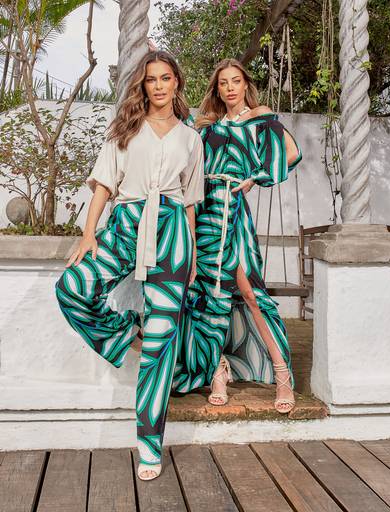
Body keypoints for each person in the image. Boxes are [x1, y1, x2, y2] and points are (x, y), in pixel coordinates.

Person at [55, 50, 204, 481]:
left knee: (161, 346)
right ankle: (126, 333)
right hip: (126, 222)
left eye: (165, 78)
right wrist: (89, 234)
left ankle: (149, 445)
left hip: (173, 232)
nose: (158, 86)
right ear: (143, 85)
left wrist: (192, 253)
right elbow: (104, 185)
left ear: (177, 83)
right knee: (73, 288)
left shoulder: (191, 139)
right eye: (151, 79)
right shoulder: (125, 129)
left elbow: (190, 201)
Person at [172, 58, 301, 414]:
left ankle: (281, 373)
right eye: (223, 83)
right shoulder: (207, 126)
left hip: (233, 212)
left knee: (249, 293)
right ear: (217, 89)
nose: (230, 88)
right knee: (204, 294)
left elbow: (292, 153)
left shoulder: (261, 118)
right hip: (204, 210)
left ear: (245, 85)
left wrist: (255, 178)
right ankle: (218, 371)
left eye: (236, 81)